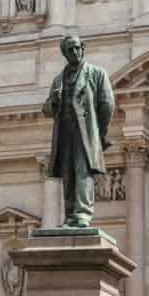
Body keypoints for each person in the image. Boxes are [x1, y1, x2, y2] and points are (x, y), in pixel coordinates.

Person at [42, 35, 115, 228]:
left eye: (76, 48)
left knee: (82, 172)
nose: (74, 52)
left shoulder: (97, 73)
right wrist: (54, 102)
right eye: (69, 50)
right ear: (64, 54)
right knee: (68, 174)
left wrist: (99, 133)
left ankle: (82, 213)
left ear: (83, 48)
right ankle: (70, 215)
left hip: (86, 132)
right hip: (65, 132)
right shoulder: (59, 79)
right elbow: (46, 109)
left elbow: (107, 104)